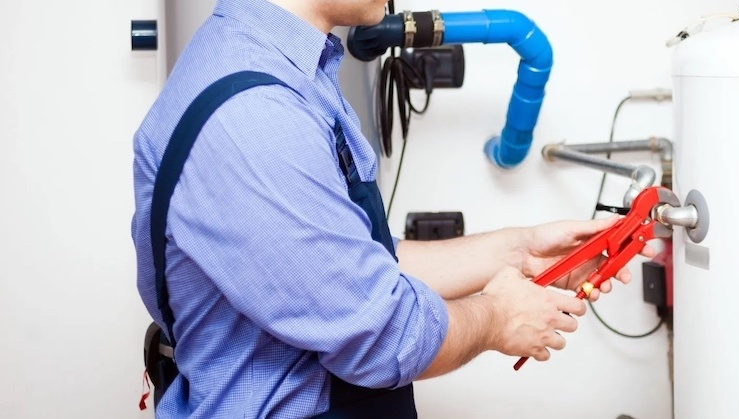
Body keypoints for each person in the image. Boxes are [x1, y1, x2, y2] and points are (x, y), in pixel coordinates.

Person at [131, 0, 650, 417]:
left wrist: (519, 254)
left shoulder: (286, 71)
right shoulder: (253, 117)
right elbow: (380, 336)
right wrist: (497, 318)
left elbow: (353, 265)